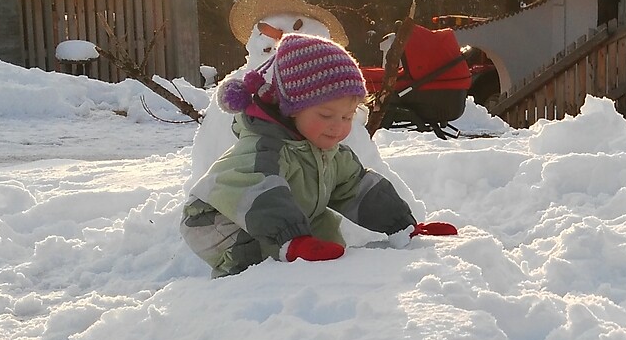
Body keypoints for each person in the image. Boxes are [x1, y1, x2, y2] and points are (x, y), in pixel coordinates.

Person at [180, 32, 457, 277]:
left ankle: (306, 263)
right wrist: (293, 241)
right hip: (217, 219)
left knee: (329, 242)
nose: (338, 127)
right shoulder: (264, 149)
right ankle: (244, 289)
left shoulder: (327, 152)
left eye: (348, 117)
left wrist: (402, 226)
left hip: (284, 214)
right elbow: (262, 196)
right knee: (258, 255)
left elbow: (357, 188)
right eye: (326, 115)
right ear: (292, 108)